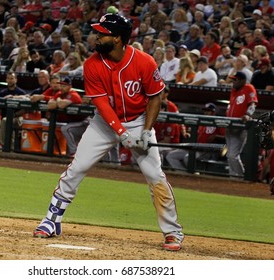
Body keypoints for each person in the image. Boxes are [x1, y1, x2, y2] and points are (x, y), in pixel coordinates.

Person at [33, 13, 184, 251]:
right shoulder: (92, 64)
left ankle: (173, 232)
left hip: (138, 121)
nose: (96, 37)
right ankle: (52, 220)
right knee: (77, 167)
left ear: (117, 38)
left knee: (155, 176)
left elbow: (155, 97)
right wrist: (122, 134)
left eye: (102, 34)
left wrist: (145, 132)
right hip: (104, 124)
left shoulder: (144, 62)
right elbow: (102, 106)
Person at [166, 103, 225, 171]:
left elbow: (225, 136)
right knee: (171, 156)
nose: (205, 113)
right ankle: (183, 174)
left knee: (188, 158)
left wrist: (215, 136)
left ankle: (193, 177)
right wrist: (188, 133)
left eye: (208, 111)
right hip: (194, 147)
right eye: (205, 111)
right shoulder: (201, 122)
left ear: (213, 112)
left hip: (206, 149)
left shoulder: (217, 122)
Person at [46, 76, 88, 157]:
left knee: (65, 129)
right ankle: (74, 155)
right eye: (61, 85)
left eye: (64, 86)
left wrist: (58, 100)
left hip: (84, 123)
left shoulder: (73, 94)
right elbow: (50, 105)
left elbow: (61, 105)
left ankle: (74, 152)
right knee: (68, 130)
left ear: (70, 86)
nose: (61, 88)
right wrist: (59, 100)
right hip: (74, 123)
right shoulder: (60, 94)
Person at [226, 72, 258, 177]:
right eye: (233, 80)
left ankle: (240, 176)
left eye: (236, 80)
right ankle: (232, 176)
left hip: (240, 126)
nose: (233, 82)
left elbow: (252, 105)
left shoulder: (248, 88)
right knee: (229, 155)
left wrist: (248, 114)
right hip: (230, 125)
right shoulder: (233, 91)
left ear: (242, 80)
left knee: (232, 155)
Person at [0, 71, 27, 150]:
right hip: (4, 117)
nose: (10, 80)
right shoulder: (2, 93)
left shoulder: (21, 92)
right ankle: (10, 149)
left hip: (18, 117)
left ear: (16, 80)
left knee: (6, 120)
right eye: (8, 78)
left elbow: (25, 109)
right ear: (6, 80)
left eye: (12, 78)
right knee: (4, 121)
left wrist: (14, 115)